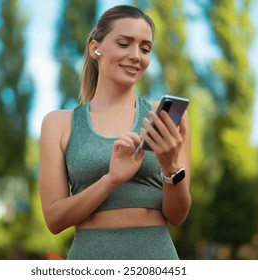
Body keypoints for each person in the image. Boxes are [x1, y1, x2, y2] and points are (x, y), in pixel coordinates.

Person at [39, 5, 191, 260]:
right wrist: (111, 179)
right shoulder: (59, 124)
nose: (136, 56)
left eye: (145, 49)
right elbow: (54, 220)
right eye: (124, 43)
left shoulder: (165, 119)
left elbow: (177, 216)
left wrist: (170, 167)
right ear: (95, 48)